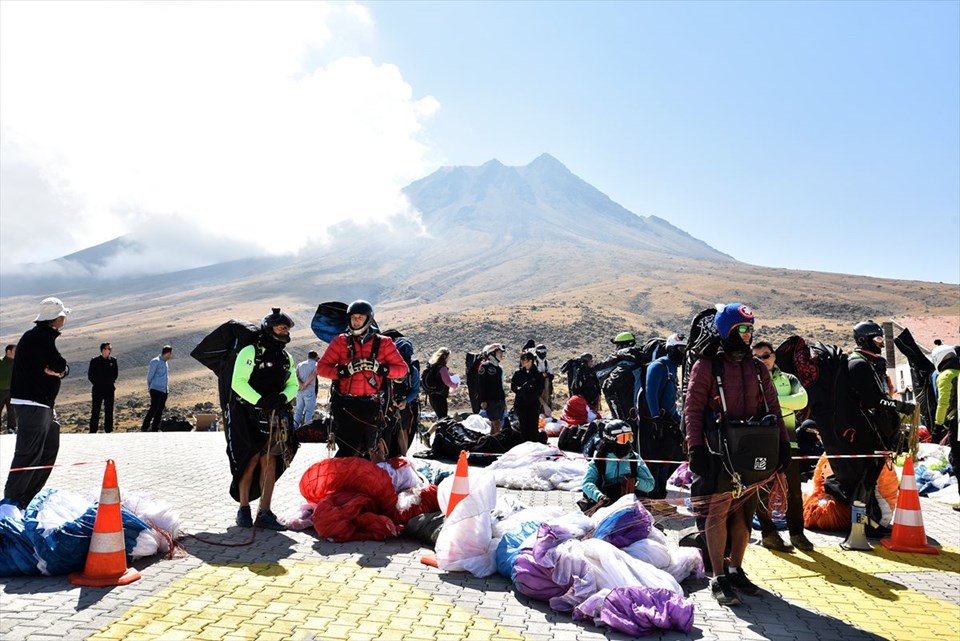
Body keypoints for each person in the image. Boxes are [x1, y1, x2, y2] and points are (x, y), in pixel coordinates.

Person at [685, 303, 789, 606]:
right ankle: (718, 576)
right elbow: (692, 410)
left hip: (752, 452)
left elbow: (774, 408)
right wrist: (696, 449)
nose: (747, 335)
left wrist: (782, 445)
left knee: (744, 513)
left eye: (750, 329)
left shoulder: (757, 367)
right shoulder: (706, 366)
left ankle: (736, 569)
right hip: (718, 451)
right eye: (742, 329)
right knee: (718, 513)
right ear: (726, 328)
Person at [836, 321, 915, 532]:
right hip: (864, 431)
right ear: (864, 340)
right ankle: (860, 526)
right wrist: (900, 405)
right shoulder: (858, 364)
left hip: (874, 429)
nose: (880, 344)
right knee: (866, 479)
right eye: (877, 339)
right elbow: (872, 400)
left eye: (881, 339)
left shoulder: (870, 363)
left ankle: (868, 521)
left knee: (871, 479)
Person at [228, 308, 299, 530]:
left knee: (270, 462)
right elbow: (238, 382)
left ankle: (265, 512)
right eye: (281, 327)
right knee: (249, 461)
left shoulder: (287, 358)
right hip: (247, 415)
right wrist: (259, 401)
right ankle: (243, 510)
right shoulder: (250, 352)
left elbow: (293, 384)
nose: (285, 331)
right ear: (269, 329)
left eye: (287, 328)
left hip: (276, 417)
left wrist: (282, 397)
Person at [317, 300, 407, 459]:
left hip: (373, 406)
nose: (356, 321)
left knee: (371, 449)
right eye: (353, 317)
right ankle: (346, 481)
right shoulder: (340, 341)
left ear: (368, 319)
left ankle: (369, 481)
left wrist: (381, 369)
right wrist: (344, 371)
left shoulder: (384, 343)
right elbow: (322, 368)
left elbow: (401, 369)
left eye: (360, 317)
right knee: (348, 450)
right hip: (345, 406)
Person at [3, 297, 71, 509]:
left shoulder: (43, 337)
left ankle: (27, 498)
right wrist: (59, 370)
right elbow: (59, 364)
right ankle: (12, 502)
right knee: (29, 453)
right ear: (57, 318)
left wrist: (60, 371)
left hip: (43, 404)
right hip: (33, 403)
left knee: (48, 448)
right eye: (63, 316)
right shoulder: (38, 338)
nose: (65, 319)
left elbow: (61, 368)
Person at [751, 340, 814, 552]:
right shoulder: (750, 378)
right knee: (763, 490)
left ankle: (797, 534)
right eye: (757, 357)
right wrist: (785, 401)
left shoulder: (790, 379)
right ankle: (769, 534)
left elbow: (802, 401)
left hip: (790, 442)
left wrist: (772, 400)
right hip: (760, 443)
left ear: (774, 356)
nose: (762, 360)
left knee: (794, 490)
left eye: (766, 355)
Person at [638, 333, 686, 500]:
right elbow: (651, 393)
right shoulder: (659, 366)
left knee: (670, 456)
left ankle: (660, 492)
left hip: (669, 421)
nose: (683, 352)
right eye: (680, 349)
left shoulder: (672, 367)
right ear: (671, 349)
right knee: (656, 459)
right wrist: (656, 417)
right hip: (655, 422)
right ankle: (653, 494)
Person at [580, 419, 655, 513]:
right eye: (623, 438)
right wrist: (600, 497)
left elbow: (650, 484)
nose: (627, 442)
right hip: (605, 505)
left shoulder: (634, 458)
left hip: (629, 505)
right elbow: (586, 483)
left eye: (629, 437)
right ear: (611, 440)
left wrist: (636, 482)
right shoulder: (600, 459)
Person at [931, 344, 958, 487]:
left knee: (957, 460)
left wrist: (938, 424)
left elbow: (943, 403)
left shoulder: (945, 375)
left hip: (956, 422)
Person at [511, 351, 545, 442]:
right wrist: (520, 389)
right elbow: (513, 386)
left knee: (533, 425)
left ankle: (533, 443)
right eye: (521, 359)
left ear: (530, 361)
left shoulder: (537, 373)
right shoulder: (518, 373)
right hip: (521, 402)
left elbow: (541, 388)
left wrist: (531, 388)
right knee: (523, 425)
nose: (522, 362)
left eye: (524, 360)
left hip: (533, 403)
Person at [88, 342, 118, 434]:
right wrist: (98, 384)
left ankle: (108, 429)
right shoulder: (95, 361)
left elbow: (115, 374)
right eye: (106, 348)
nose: (108, 350)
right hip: (98, 389)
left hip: (109, 389)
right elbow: (90, 375)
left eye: (109, 349)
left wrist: (109, 382)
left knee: (109, 409)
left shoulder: (113, 361)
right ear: (102, 350)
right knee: (96, 409)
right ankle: (93, 430)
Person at [477, 343, 507, 434]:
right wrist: (483, 400)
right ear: (492, 354)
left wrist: (503, 400)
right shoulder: (484, 367)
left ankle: (492, 441)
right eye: (499, 352)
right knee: (496, 423)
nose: (501, 354)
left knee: (495, 425)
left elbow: (500, 386)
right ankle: (497, 445)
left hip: (499, 400)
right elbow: (481, 385)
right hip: (490, 400)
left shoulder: (499, 369)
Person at [141, 345, 172, 432]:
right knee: (153, 409)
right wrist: (150, 387)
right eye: (170, 354)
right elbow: (150, 376)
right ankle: (145, 427)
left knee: (160, 410)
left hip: (164, 390)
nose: (171, 356)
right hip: (156, 389)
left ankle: (155, 428)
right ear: (167, 353)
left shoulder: (165, 362)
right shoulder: (155, 361)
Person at [424, 347, 459, 420]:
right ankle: (440, 431)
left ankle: (439, 430)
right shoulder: (442, 368)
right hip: (440, 397)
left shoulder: (433, 367)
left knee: (440, 417)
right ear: (445, 356)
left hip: (432, 396)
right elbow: (448, 382)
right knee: (443, 418)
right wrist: (456, 385)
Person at [293, 350, 319, 429]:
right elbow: (314, 374)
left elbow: (295, 375)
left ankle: (295, 428)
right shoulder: (316, 365)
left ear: (308, 356)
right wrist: (305, 384)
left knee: (298, 410)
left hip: (300, 390)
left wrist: (301, 385)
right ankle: (305, 429)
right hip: (309, 390)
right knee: (309, 411)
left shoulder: (300, 364)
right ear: (316, 357)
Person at [0, 344, 16, 434]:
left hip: (11, 391)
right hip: (0, 390)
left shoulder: (17, 363)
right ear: (8, 352)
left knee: (12, 410)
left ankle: (12, 428)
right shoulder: (1, 361)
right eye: (14, 351)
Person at [534, 344, 554, 418]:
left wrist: (544, 375)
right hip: (536, 388)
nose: (542, 353)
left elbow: (551, 375)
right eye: (540, 351)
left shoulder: (547, 362)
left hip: (546, 388)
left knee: (547, 403)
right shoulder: (534, 362)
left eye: (544, 351)